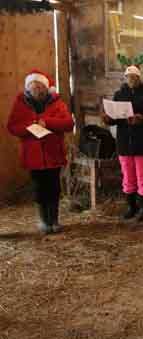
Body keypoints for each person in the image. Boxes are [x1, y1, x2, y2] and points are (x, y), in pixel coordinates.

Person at [7, 69, 74, 234]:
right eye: (32, 88)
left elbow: (68, 124)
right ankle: (44, 221)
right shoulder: (20, 103)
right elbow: (12, 126)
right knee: (39, 187)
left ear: (45, 88)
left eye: (39, 87)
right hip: (33, 155)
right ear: (27, 89)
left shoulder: (57, 103)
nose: (36, 90)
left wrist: (48, 122)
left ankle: (55, 220)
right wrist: (29, 127)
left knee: (54, 186)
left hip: (53, 153)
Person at [103, 65, 143, 222]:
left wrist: (142, 118)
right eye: (128, 77)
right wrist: (109, 119)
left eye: (134, 77)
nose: (131, 80)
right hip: (124, 141)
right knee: (128, 176)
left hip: (142, 140)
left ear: (139, 78)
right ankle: (131, 206)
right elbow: (114, 117)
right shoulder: (119, 94)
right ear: (125, 78)